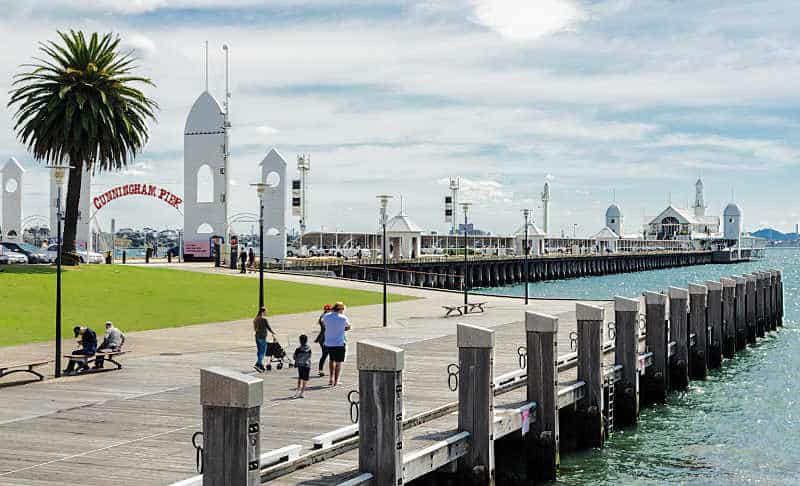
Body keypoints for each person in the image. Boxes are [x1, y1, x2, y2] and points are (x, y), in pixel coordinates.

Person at [322, 302, 351, 386]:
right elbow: (348, 326)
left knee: (331, 360)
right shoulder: (343, 318)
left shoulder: (326, 316)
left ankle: (331, 378)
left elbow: (324, 323)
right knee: (338, 363)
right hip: (339, 342)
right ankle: (336, 380)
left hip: (329, 342)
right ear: (341, 309)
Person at [253, 307, 275, 372]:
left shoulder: (255, 319)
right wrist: (273, 333)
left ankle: (260, 364)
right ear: (262, 312)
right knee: (263, 352)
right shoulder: (264, 319)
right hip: (262, 337)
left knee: (259, 351)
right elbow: (268, 327)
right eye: (265, 311)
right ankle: (258, 364)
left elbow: (255, 329)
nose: (266, 313)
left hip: (257, 337)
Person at [315, 304, 332, 377]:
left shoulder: (323, 316)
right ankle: (330, 371)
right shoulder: (326, 318)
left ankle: (320, 370)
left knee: (325, 354)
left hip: (322, 339)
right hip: (326, 339)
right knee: (329, 355)